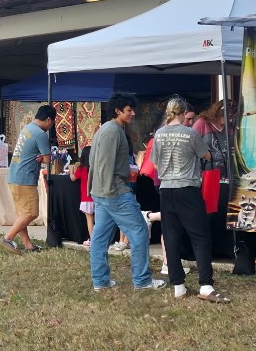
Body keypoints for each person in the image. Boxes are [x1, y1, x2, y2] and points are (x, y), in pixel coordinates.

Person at [152, 97, 229, 303]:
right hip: (187, 188)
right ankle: (205, 285)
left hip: (166, 189)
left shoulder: (159, 134)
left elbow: (156, 165)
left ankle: (178, 285)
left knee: (171, 238)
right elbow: (206, 156)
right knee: (200, 237)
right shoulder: (191, 133)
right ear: (183, 113)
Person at [89, 93, 166, 293]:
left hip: (104, 191)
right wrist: (114, 188)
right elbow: (104, 165)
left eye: (133, 110)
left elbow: (99, 164)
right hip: (113, 192)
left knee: (100, 237)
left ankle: (101, 281)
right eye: (129, 110)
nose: (133, 114)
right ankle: (142, 281)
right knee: (139, 231)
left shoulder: (107, 130)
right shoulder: (112, 132)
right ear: (117, 110)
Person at [0, 105, 53, 252]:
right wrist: (43, 157)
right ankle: (7, 238)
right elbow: (48, 159)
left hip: (14, 175)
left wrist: (40, 156)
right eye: (52, 123)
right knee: (31, 213)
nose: (51, 126)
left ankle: (29, 245)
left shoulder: (27, 128)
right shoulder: (41, 134)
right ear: (49, 119)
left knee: (22, 214)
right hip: (25, 178)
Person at [193, 101, 228, 170]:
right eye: (223, 115)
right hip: (206, 170)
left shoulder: (230, 126)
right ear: (216, 113)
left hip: (227, 171)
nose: (228, 119)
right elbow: (191, 143)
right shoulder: (202, 123)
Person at [71, 145, 95, 243]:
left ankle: (92, 239)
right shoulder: (96, 168)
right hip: (97, 198)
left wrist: (71, 169)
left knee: (89, 220)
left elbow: (73, 178)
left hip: (86, 198)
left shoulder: (82, 169)